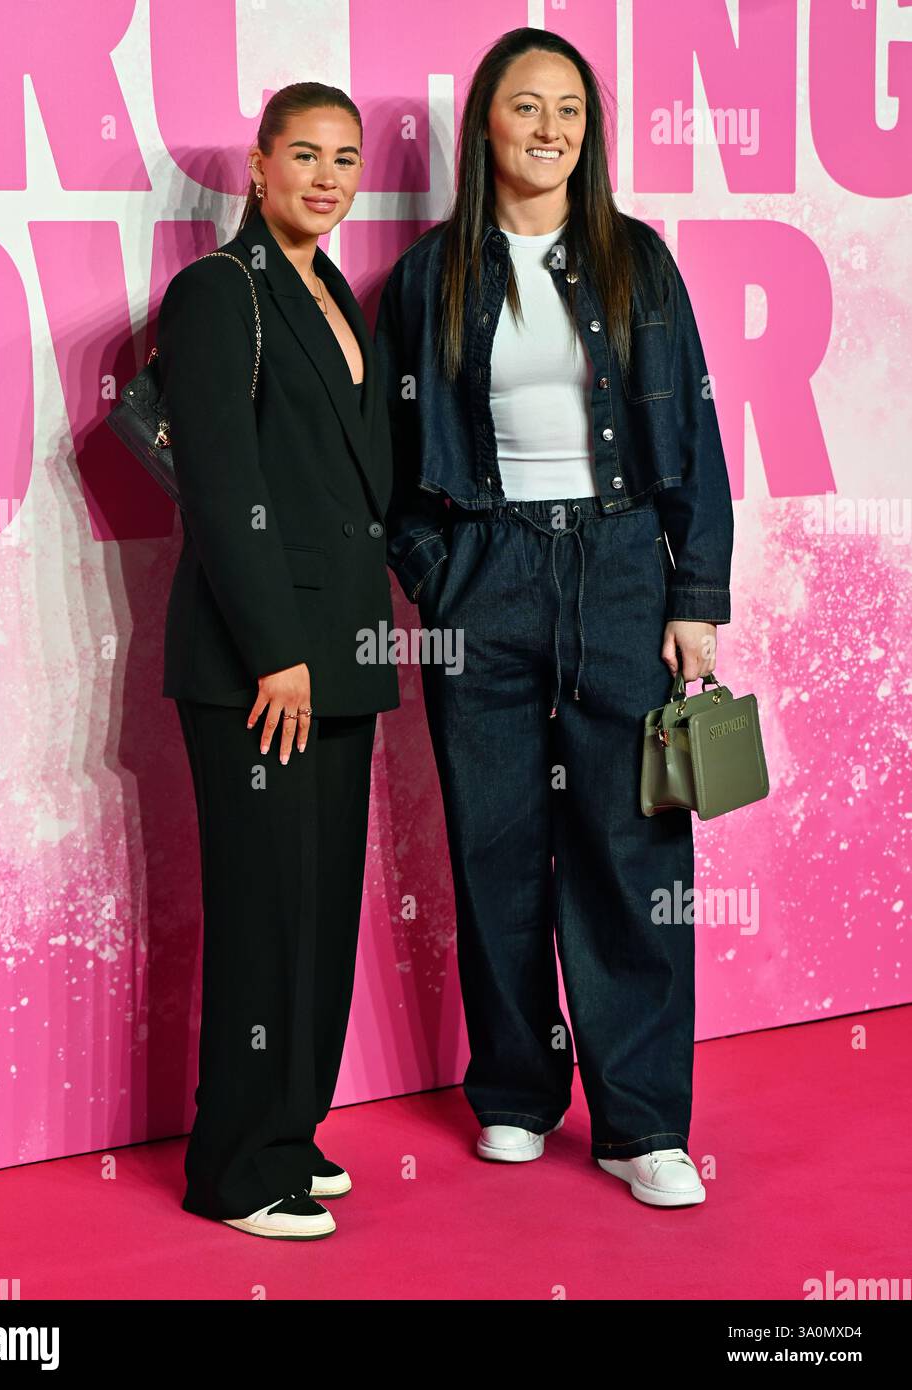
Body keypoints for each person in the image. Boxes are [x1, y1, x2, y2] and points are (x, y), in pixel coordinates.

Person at [375, 27, 734, 1208]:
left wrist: (693, 596)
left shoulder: (636, 261)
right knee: (492, 847)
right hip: (486, 573)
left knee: (630, 849)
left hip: (623, 571)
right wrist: (438, 572)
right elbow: (385, 460)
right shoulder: (431, 276)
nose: (549, 129)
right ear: (484, 125)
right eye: (525, 107)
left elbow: (693, 432)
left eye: (569, 110)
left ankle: (641, 1125)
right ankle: (516, 1091)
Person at [156, 82, 399, 1239]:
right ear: (254, 167)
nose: (324, 176)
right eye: (301, 153)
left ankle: (291, 1129)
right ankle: (234, 1169)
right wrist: (277, 653)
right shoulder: (217, 291)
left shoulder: (336, 295)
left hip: (344, 652)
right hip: (262, 666)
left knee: (321, 909)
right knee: (263, 910)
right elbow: (219, 485)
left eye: (343, 158)